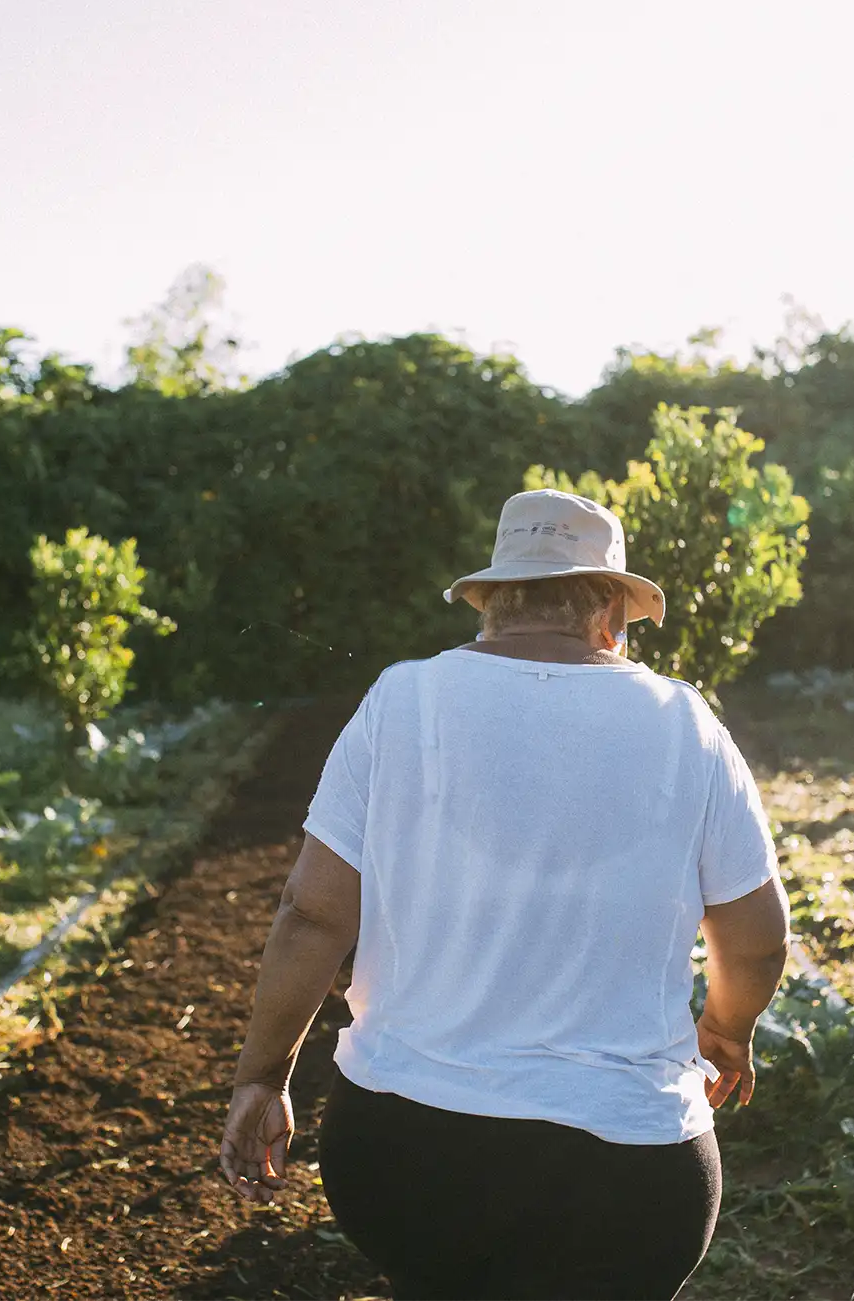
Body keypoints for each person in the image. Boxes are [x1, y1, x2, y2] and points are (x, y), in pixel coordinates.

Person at [218, 488, 792, 1300]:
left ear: (490, 603)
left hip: (408, 1153)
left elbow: (311, 914)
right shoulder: (685, 722)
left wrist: (262, 1075)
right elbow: (758, 939)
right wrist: (725, 1032)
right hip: (628, 1174)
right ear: (611, 614)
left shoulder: (401, 699)